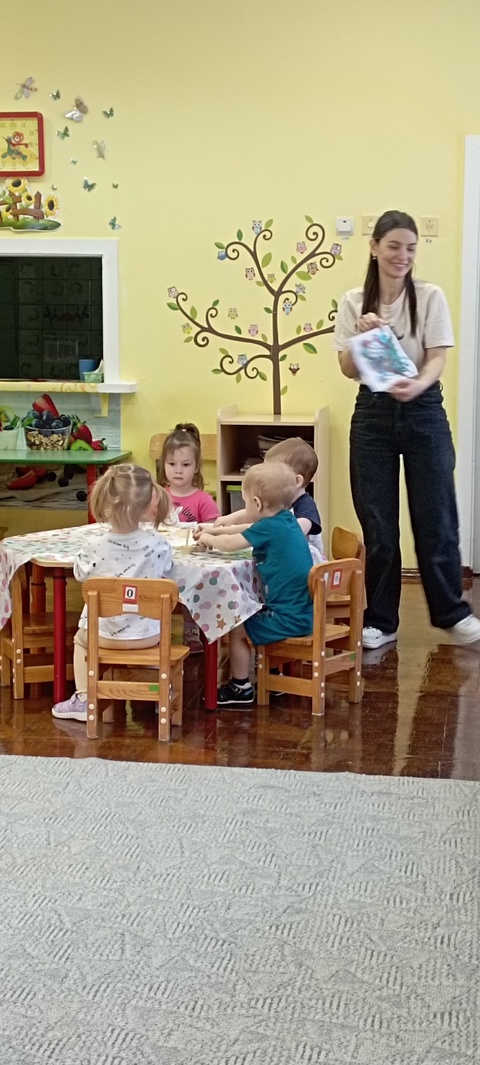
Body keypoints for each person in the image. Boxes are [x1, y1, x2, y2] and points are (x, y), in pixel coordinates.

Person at [334, 208, 480, 650]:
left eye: (411, 248)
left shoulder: (430, 296)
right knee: (378, 524)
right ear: (374, 248)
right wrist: (362, 337)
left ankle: (452, 613)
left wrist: (417, 385)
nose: (402, 256)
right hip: (373, 413)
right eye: (394, 246)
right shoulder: (354, 301)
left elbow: (437, 357)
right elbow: (347, 368)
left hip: (424, 410)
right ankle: (381, 620)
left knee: (436, 515)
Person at [52, 464, 173, 723]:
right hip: (149, 637)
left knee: (79, 641)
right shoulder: (158, 544)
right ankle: (161, 690)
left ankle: (84, 698)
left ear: (106, 503)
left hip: (102, 637)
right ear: (147, 505)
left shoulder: (94, 546)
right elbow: (166, 571)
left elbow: (80, 575)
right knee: (156, 635)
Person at [194, 462, 314, 707]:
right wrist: (216, 531)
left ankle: (240, 687)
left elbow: (231, 544)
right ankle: (273, 676)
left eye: (246, 501)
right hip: (302, 613)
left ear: (257, 504)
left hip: (287, 619)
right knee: (254, 610)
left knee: (236, 626)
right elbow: (248, 528)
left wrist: (208, 538)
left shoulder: (269, 527)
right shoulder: (286, 520)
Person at [211, 437, 324, 556]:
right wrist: (231, 519)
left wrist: (257, 530)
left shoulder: (306, 507)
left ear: (297, 481)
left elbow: (291, 532)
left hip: (310, 564)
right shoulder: (280, 500)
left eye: (273, 475)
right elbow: (257, 511)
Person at [157, 422, 219, 523]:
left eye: (185, 465)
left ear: (196, 467)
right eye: (172, 464)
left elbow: (212, 530)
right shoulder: (158, 498)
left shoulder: (204, 501)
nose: (178, 471)